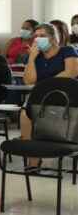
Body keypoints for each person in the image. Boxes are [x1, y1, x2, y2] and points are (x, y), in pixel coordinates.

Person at [19, 23, 78, 168]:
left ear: (53, 38)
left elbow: (71, 72)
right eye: (36, 36)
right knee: (25, 114)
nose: (38, 39)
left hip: (67, 97)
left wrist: (45, 85)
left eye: (42, 36)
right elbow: (28, 80)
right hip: (42, 99)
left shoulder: (67, 51)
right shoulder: (36, 57)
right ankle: (33, 159)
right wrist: (32, 58)